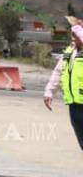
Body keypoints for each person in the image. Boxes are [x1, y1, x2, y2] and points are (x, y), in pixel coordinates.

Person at [43, 15, 83, 150]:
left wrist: (76, 25)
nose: (72, 37)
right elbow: (58, 72)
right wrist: (49, 91)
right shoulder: (69, 52)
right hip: (74, 104)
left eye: (75, 34)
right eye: (71, 34)